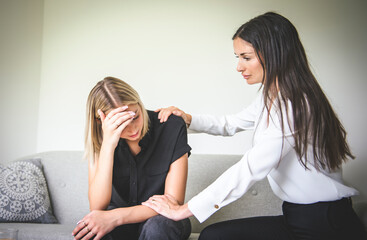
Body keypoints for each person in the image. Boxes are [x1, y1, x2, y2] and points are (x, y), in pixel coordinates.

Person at [142, 12, 367, 240]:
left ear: (274, 54)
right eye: (237, 57)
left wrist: (184, 209)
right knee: (213, 235)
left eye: (246, 57)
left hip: (325, 224)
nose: (239, 66)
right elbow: (230, 124)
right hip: (295, 216)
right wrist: (185, 117)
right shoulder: (272, 96)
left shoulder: (294, 105)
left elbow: (250, 167)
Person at [72, 77, 192, 240]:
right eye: (120, 125)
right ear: (101, 123)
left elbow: (173, 202)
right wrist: (108, 146)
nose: (133, 129)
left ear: (139, 103)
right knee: (95, 232)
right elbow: (97, 207)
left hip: (163, 219)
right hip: (116, 223)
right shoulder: (101, 139)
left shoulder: (171, 126)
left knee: (158, 227)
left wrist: (115, 217)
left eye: (135, 117)